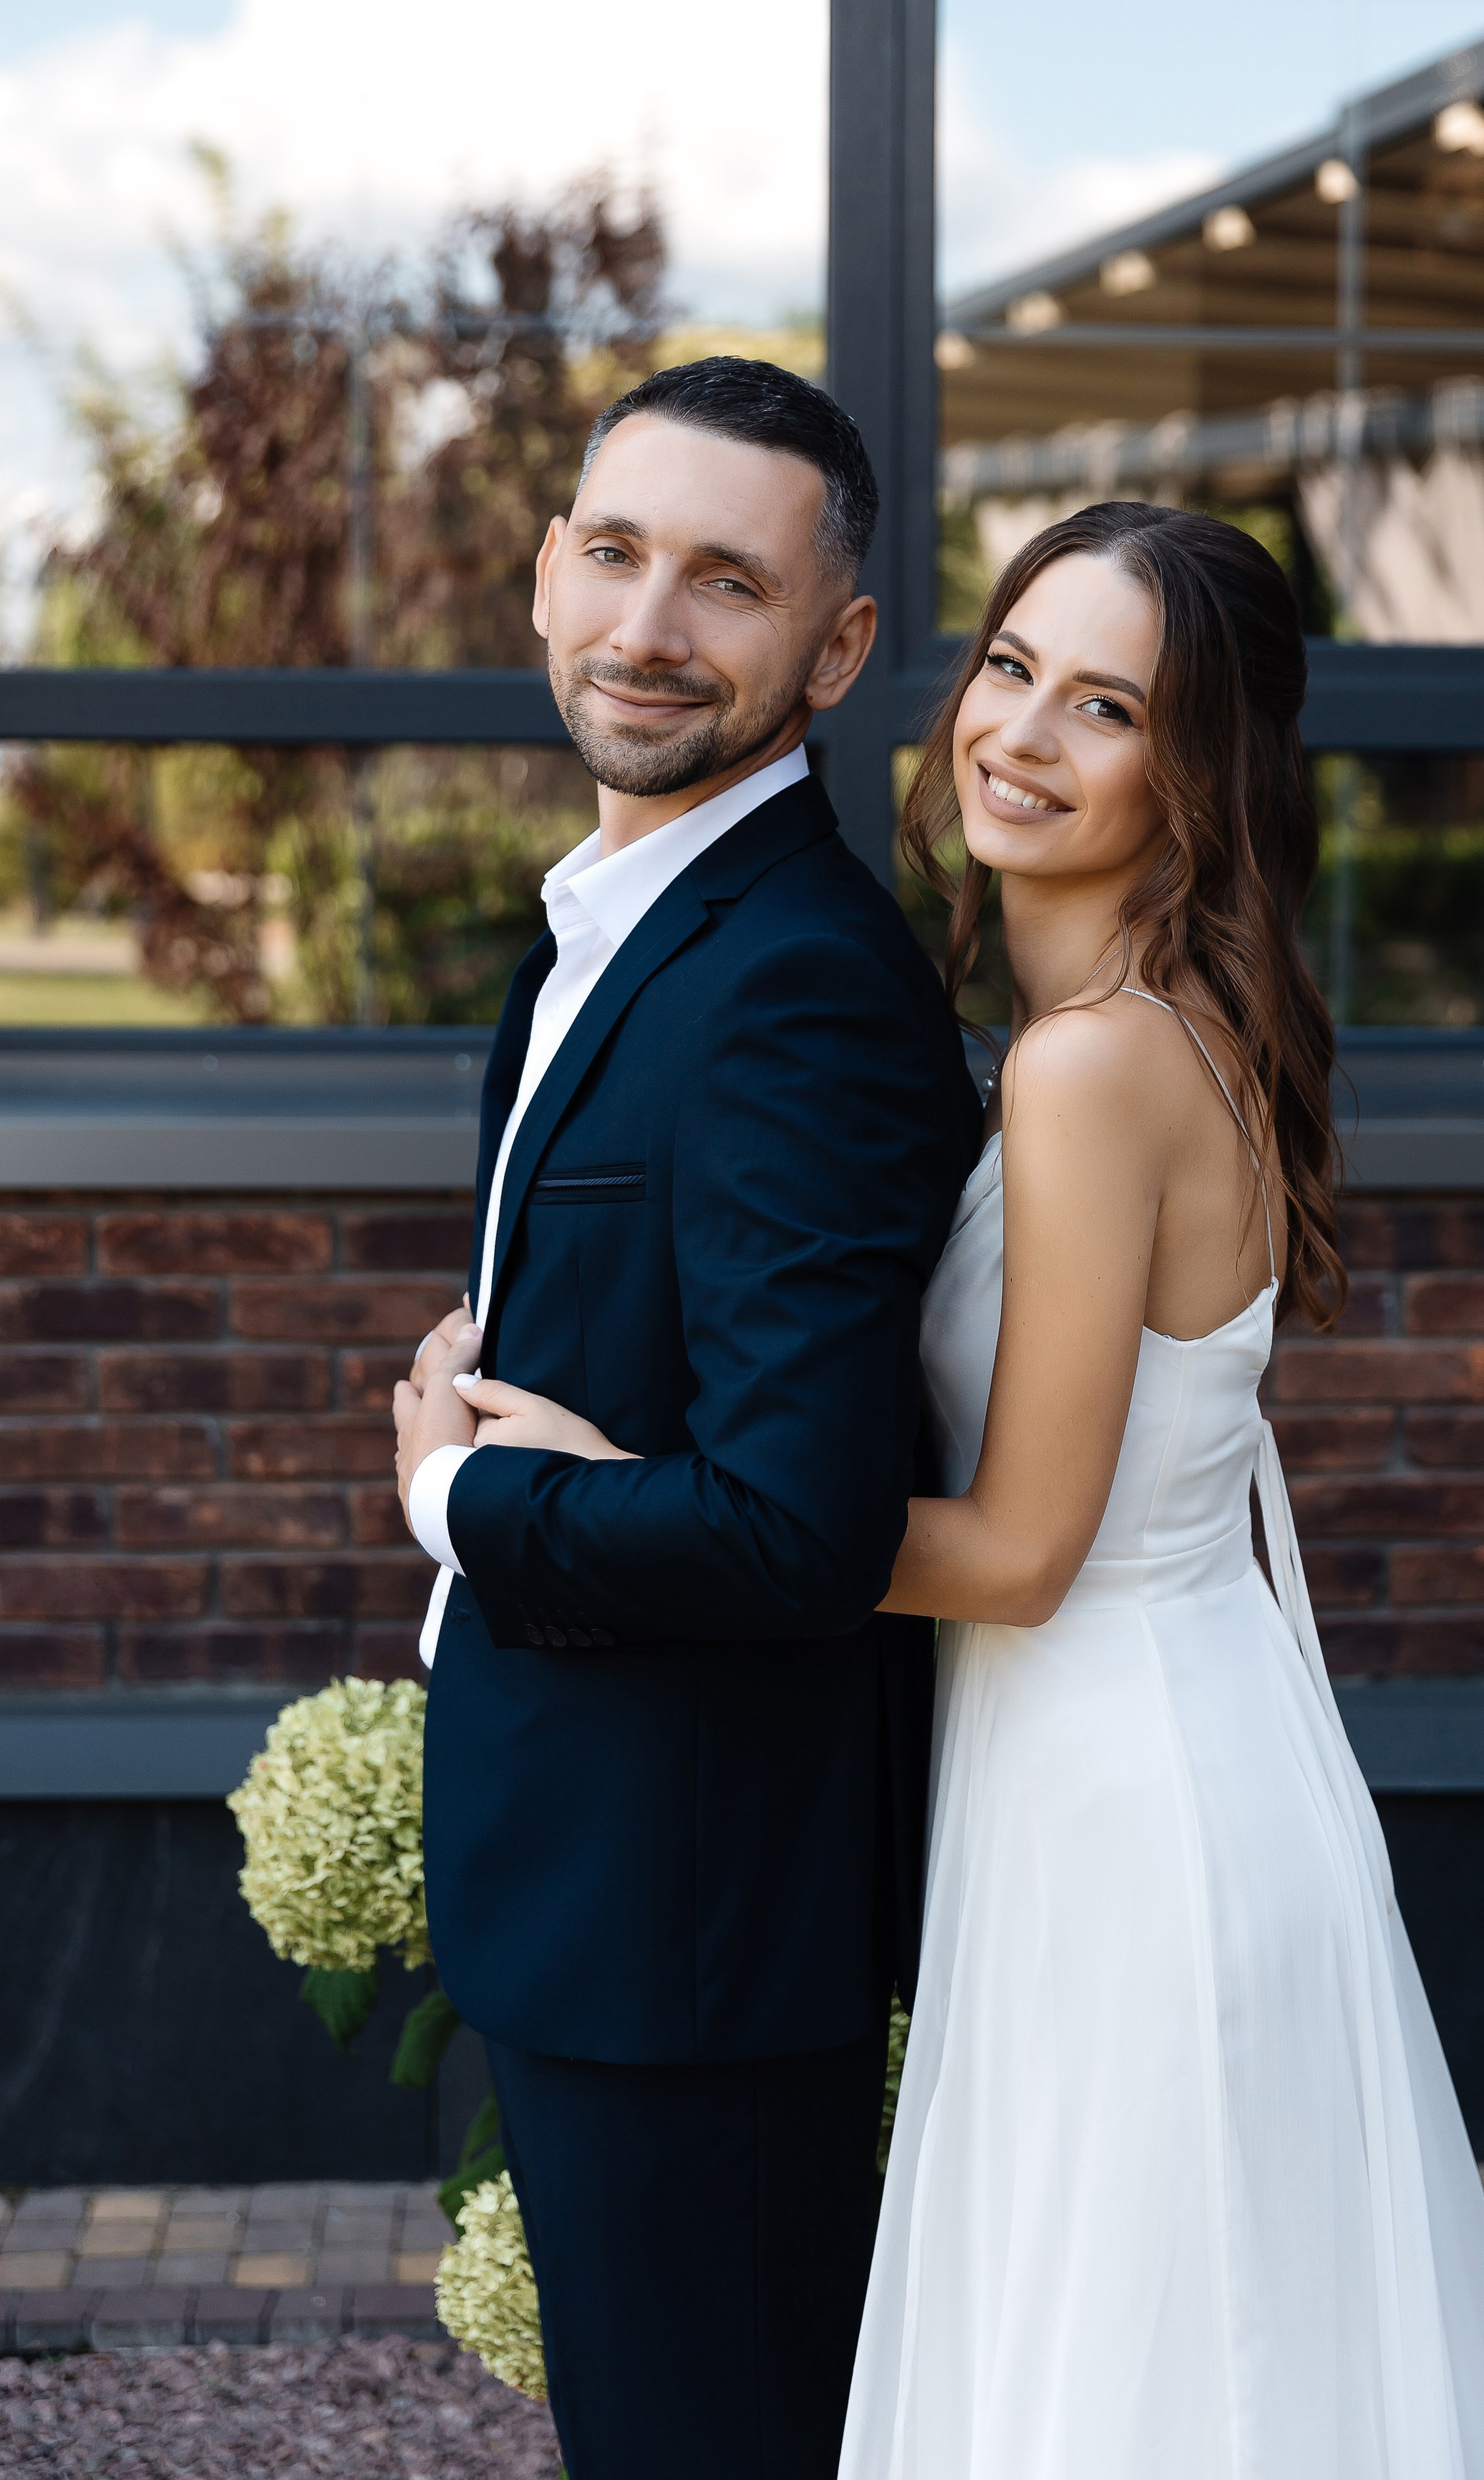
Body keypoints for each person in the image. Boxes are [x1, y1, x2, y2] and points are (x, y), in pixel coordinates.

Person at [838, 504, 1484, 2479]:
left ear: (1205, 771)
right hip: (1158, 1763)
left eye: (1107, 707)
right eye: (1010, 668)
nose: (1020, 733)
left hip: (1127, 1816)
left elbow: (1019, 1552)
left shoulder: (1092, 1069)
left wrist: (653, 1506)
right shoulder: (1157, 1035)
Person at [391, 358, 982, 2480]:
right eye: (618, 555)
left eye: (727, 581)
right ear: (548, 572)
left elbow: (802, 1530)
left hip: (693, 1936)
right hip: (612, 1887)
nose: (648, 626)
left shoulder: (794, 976)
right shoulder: (621, 920)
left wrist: (463, 1502)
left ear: (834, 647)